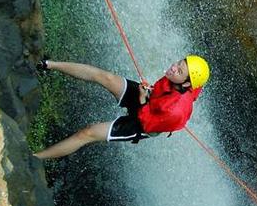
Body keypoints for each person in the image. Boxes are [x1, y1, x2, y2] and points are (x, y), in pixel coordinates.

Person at [33, 55, 210, 160]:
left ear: (187, 84)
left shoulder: (175, 112)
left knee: (87, 133)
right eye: (178, 63)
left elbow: (147, 124)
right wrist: (146, 95)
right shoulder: (185, 79)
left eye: (179, 71)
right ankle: (49, 64)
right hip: (150, 98)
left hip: (144, 123)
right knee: (104, 77)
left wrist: (142, 99)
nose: (173, 68)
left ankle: (35, 158)